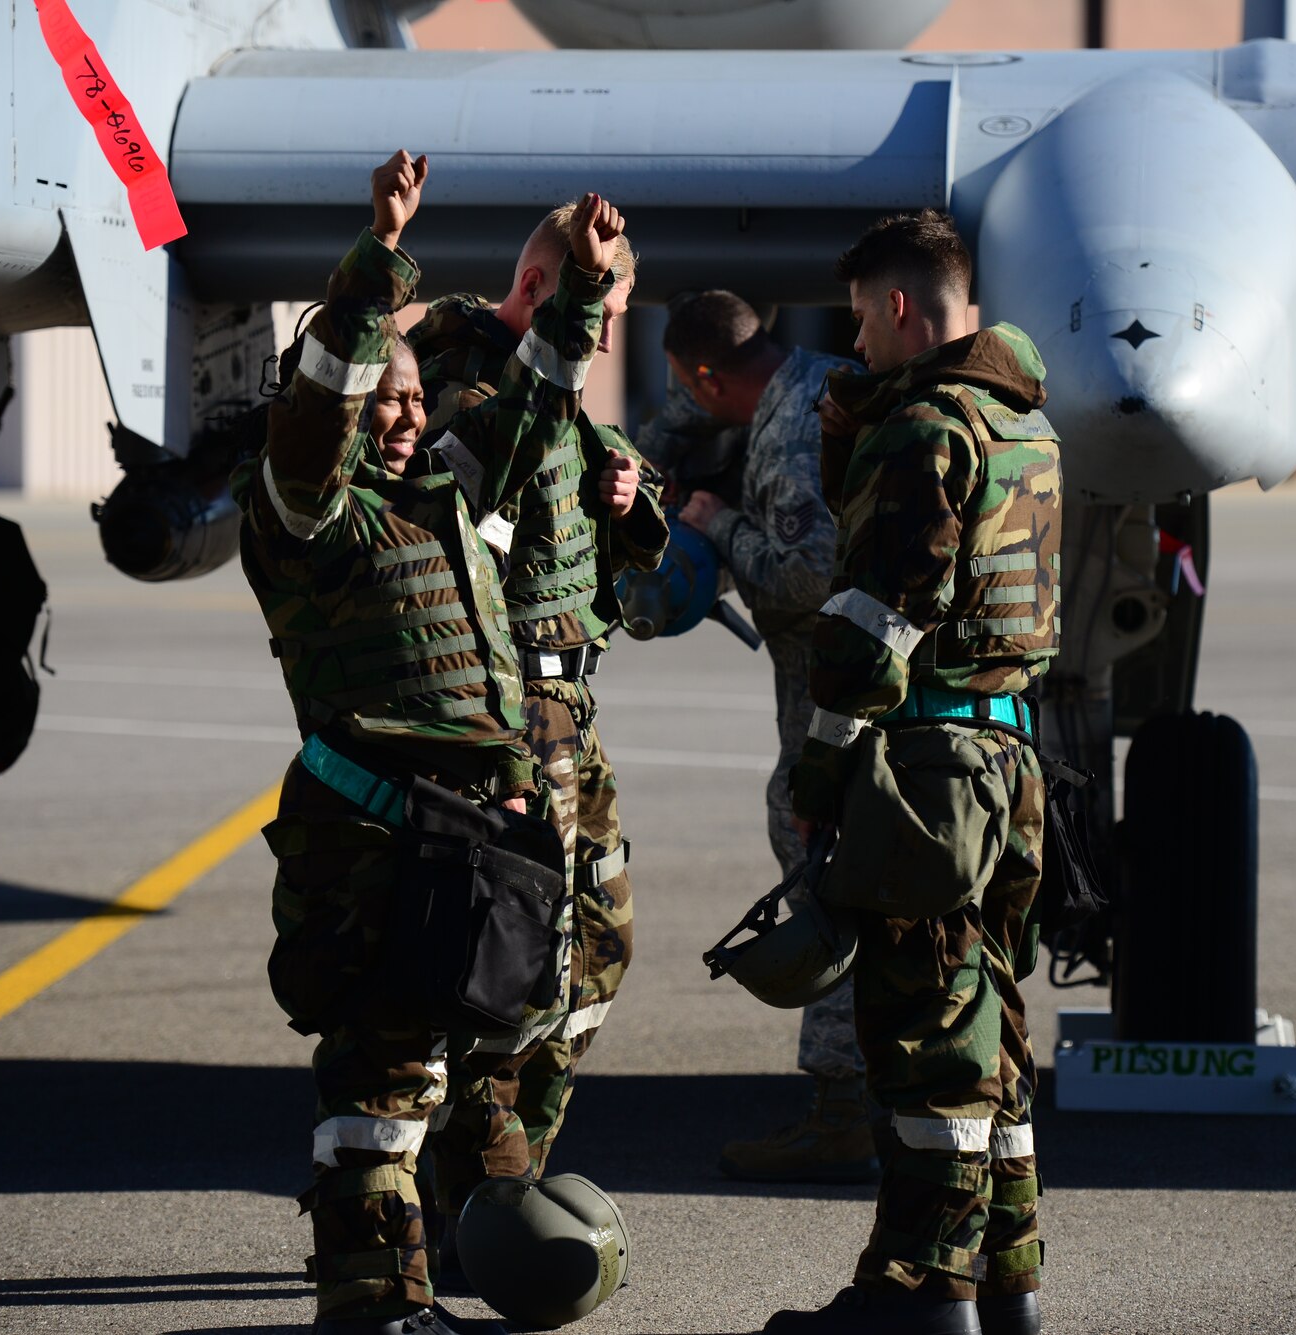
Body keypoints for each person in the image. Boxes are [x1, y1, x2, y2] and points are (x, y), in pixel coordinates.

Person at [232, 149, 626, 1334]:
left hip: (471, 833)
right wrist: (373, 270)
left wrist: (584, 295)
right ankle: (370, 1304)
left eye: (413, 401)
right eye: (382, 401)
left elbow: (538, 405)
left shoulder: (442, 501)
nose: (402, 419)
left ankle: (412, 1280)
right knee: (380, 1085)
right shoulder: (308, 513)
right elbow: (317, 414)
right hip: (374, 835)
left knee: (455, 1063)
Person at [768, 209, 1062, 1335]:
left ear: (897, 308)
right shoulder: (1023, 426)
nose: (855, 347)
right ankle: (1006, 1281)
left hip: (928, 769)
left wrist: (820, 772)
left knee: (923, 1037)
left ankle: (917, 1295)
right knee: (989, 1025)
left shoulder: (924, 430)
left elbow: (878, 615)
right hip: (1008, 758)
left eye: (858, 321)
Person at [405, 208, 668, 1249]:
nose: (601, 343)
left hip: (573, 713)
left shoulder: (556, 401)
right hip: (503, 723)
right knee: (503, 965)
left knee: (595, 952)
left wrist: (630, 499)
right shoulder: (461, 386)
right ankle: (481, 1198)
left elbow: (614, 527)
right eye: (589, 313)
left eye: (609, 319)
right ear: (536, 286)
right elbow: (492, 456)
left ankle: (508, 1182)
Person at [656, 291, 875, 1184]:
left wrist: (715, 524)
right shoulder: (822, 381)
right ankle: (892, 1098)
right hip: (870, 702)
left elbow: (798, 578)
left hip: (833, 715)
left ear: (709, 374)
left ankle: (842, 1109)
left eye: (687, 386)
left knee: (823, 874)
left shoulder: (785, 440)